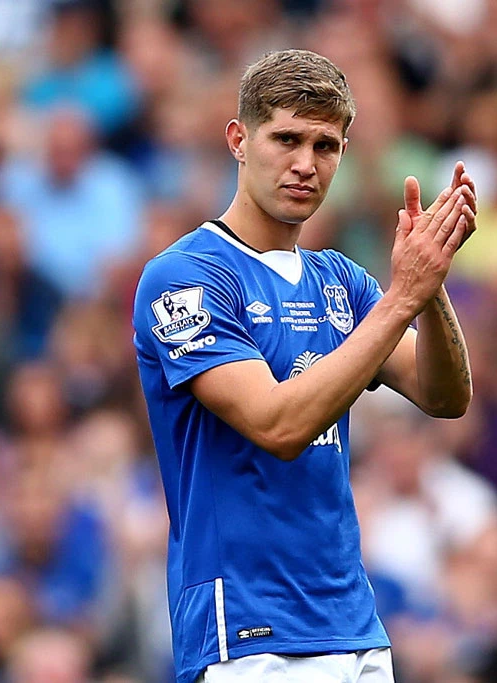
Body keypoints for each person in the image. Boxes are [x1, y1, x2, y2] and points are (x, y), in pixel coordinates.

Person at [133, 49, 476, 683]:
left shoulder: (341, 280)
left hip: (354, 628)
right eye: (286, 138)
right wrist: (402, 296)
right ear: (239, 139)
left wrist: (430, 285)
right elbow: (278, 425)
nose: (304, 164)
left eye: (326, 146)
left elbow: (446, 395)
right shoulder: (186, 277)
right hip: (251, 635)